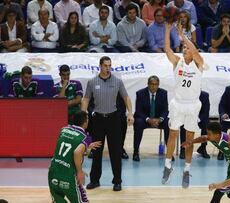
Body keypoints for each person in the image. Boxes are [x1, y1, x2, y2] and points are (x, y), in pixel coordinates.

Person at [161, 20, 206, 188]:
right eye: (184, 48)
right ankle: (167, 165)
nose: (185, 50)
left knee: (189, 138)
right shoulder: (177, 62)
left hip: (193, 105)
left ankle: (187, 170)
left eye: (188, 48)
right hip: (178, 104)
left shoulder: (199, 63)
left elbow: (194, 50)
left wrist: (182, 36)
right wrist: (168, 31)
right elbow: (167, 49)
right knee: (172, 134)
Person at [81, 56, 134, 191]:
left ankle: (117, 181)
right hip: (98, 120)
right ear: (100, 66)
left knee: (115, 152)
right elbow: (86, 99)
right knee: (96, 151)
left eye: (110, 66)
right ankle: (94, 180)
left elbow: (126, 97)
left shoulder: (117, 81)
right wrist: (83, 115)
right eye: (105, 66)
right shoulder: (92, 82)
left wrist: (130, 113)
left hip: (113, 120)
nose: (108, 68)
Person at [48, 111, 102, 203]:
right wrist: (80, 171)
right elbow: (77, 152)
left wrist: (85, 148)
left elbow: (69, 146)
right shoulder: (85, 137)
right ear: (85, 122)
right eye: (88, 119)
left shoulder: (64, 129)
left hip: (53, 172)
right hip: (69, 175)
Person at [133, 75, 170, 161]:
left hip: (158, 120)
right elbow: (138, 111)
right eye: (152, 84)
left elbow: (165, 110)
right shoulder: (140, 93)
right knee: (138, 122)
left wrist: (160, 119)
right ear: (148, 84)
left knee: (168, 122)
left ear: (158, 85)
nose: (154, 86)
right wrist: (148, 119)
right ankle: (136, 152)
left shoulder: (163, 93)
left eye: (156, 84)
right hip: (145, 119)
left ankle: (169, 153)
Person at [179, 90, 210, 159]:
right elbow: (182, 110)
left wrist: (197, 119)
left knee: (206, 124)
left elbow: (205, 112)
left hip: (199, 119)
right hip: (188, 118)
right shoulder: (185, 94)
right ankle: (183, 149)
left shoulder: (205, 95)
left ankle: (203, 147)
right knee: (183, 125)